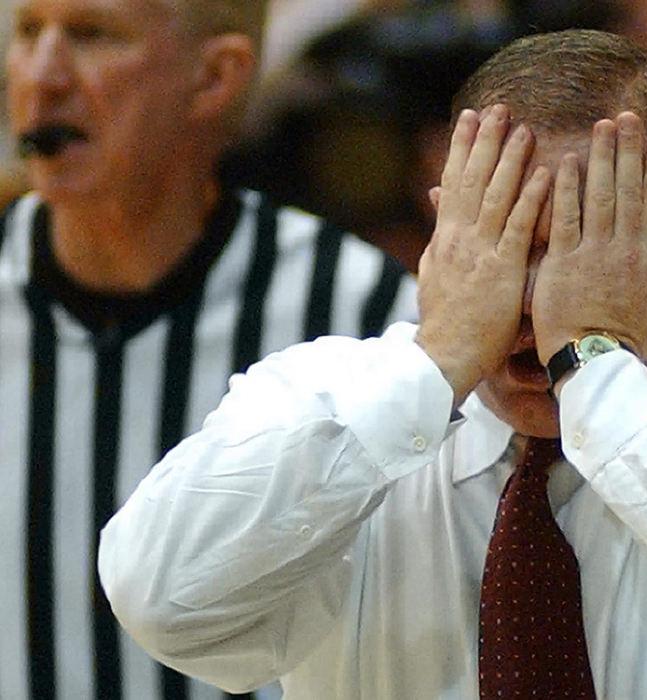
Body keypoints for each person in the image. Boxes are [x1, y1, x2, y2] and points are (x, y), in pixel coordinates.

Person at [99, 29, 647, 698]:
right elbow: (159, 596)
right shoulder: (323, 396)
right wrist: (440, 357)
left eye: (578, 252)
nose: (529, 307)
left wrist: (593, 362)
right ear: (443, 236)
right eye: (499, 244)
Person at [0, 0, 417, 698]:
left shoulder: (364, 310)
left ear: (215, 78)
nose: (41, 76)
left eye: (92, 35)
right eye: (27, 31)